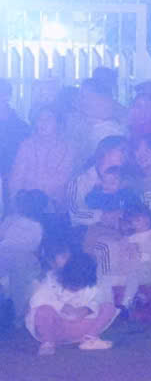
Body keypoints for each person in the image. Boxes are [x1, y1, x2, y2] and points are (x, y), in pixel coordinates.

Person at [27, 244, 115, 355]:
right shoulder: (51, 280)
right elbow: (36, 299)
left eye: (80, 285)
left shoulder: (94, 285)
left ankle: (90, 339)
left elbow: (100, 300)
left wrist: (86, 309)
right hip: (57, 327)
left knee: (108, 307)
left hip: (82, 327)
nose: (75, 288)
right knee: (43, 311)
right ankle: (48, 342)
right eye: (72, 284)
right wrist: (63, 307)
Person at [7, 105, 75, 211]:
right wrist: (15, 202)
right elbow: (17, 177)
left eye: (48, 119)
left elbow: (62, 180)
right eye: (40, 119)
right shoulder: (26, 145)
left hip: (53, 205)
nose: (43, 123)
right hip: (26, 203)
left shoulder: (67, 148)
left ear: (58, 123)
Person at [0, 189, 48, 327]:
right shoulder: (37, 225)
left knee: (19, 283)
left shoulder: (12, 219)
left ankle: (16, 315)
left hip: (14, 256)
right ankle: (17, 316)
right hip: (15, 256)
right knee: (19, 286)